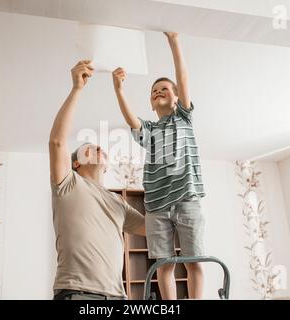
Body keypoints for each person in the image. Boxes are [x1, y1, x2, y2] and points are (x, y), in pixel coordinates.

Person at [112, 32, 206, 299]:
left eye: (165, 89)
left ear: (176, 98)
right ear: (152, 104)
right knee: (163, 263)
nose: (158, 92)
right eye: (154, 91)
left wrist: (175, 41)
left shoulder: (183, 118)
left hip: (187, 198)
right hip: (156, 205)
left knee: (193, 260)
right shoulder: (149, 130)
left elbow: (183, 79)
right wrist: (119, 89)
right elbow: (131, 119)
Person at [49, 60, 145, 300]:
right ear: (76, 163)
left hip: (117, 296)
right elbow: (57, 142)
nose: (99, 147)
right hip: (78, 294)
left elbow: (154, 229)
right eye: (90, 148)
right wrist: (76, 89)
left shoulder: (118, 203)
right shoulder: (68, 184)